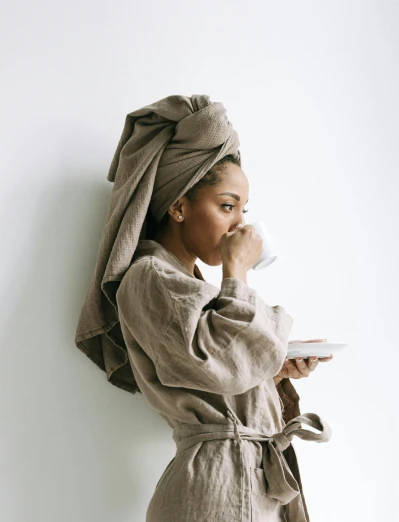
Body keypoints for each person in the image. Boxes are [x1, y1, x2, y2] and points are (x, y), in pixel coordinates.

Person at [74, 95, 334, 522]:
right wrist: (236, 269)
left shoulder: (195, 288)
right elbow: (213, 363)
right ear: (178, 206)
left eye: (243, 210)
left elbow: (220, 370)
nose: (240, 226)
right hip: (215, 490)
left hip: (249, 484)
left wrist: (273, 367)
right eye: (227, 206)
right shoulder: (148, 278)